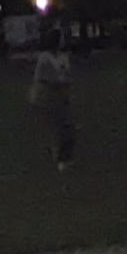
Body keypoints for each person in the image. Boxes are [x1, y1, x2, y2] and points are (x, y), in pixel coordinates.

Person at [28, 25, 78, 168]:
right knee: (57, 127)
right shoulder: (45, 58)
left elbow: (66, 76)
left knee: (66, 127)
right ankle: (59, 157)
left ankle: (64, 156)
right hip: (47, 95)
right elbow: (51, 79)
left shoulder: (63, 57)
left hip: (60, 95)